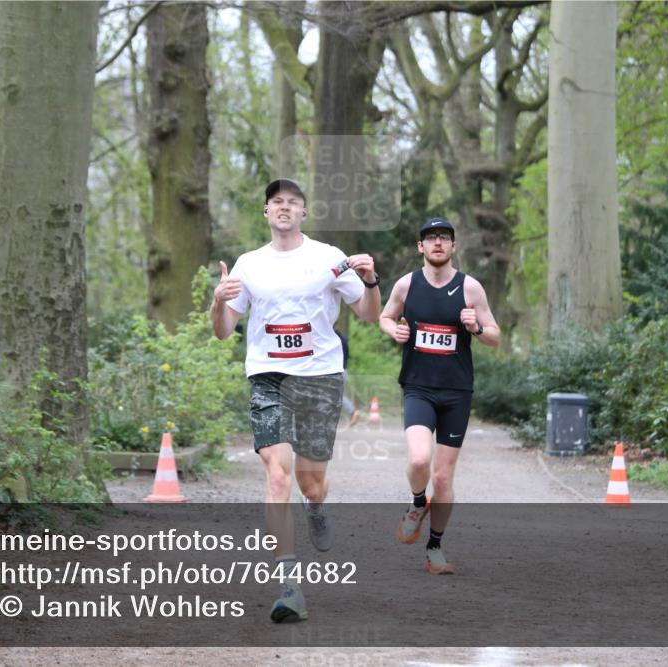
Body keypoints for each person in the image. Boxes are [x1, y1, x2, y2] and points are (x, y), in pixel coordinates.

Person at [211, 178, 381, 621]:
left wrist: (371, 280)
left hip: (320, 377)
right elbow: (225, 329)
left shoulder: (329, 259)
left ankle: (318, 506)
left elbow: (367, 313)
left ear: (304, 213)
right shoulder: (248, 265)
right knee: (277, 475)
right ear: (266, 212)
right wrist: (217, 301)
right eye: (276, 203)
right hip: (268, 376)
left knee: (310, 482)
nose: (284, 208)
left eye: (293, 203)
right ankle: (289, 588)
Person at [378, 217, 500, 574]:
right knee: (419, 461)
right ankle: (418, 502)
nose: (437, 244)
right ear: (420, 247)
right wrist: (394, 331)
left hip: (457, 391)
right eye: (430, 238)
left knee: (444, 477)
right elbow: (386, 316)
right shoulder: (406, 285)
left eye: (444, 238)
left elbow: (495, 334)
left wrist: (476, 327)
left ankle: (434, 548)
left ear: (453, 246)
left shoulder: (470, 288)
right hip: (418, 386)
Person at [335, 329, 362, 427]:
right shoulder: (343, 337)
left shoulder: (332, 336)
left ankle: (353, 411)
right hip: (343, 370)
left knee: (336, 396)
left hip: (336, 371)